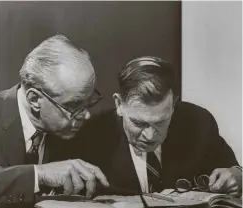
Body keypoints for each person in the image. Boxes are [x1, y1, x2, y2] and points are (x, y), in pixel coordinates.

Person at [70, 56, 242, 195]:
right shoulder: (90, 135)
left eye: (160, 122)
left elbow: (233, 171)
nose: (150, 135)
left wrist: (238, 177)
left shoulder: (199, 122)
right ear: (119, 104)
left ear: (173, 105)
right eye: (138, 123)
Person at [0, 35, 109, 208]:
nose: (85, 116)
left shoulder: (78, 132)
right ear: (34, 99)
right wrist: (39, 174)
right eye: (73, 105)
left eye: (88, 103)